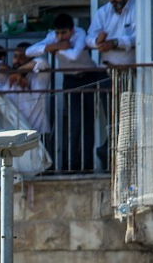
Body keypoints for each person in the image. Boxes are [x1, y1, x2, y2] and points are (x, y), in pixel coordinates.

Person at [26, 12, 101, 173]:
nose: (60, 37)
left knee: (88, 122)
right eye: (58, 33)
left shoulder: (80, 33)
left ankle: (87, 164)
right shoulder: (53, 38)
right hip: (70, 79)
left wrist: (57, 50)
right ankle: (72, 164)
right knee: (74, 122)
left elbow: (74, 55)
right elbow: (29, 52)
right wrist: (51, 47)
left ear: (72, 30)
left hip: (88, 77)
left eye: (64, 33)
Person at [87, 0, 137, 169]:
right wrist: (98, 42)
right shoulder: (104, 12)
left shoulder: (137, 9)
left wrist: (115, 43)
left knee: (128, 117)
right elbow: (89, 37)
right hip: (107, 72)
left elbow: (138, 37)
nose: (112, 0)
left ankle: (120, 157)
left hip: (130, 73)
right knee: (113, 117)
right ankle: (111, 156)